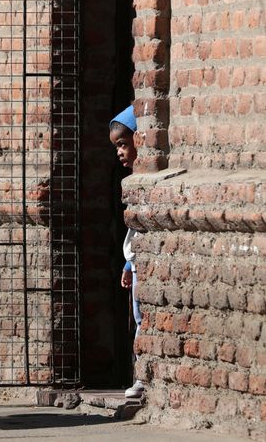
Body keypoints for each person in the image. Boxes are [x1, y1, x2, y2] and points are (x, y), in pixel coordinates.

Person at [109, 105, 143, 400]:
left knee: (142, 321)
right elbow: (133, 233)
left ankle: (142, 376)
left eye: (123, 144)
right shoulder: (133, 183)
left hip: (140, 267)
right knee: (138, 318)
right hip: (134, 266)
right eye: (117, 146)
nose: (120, 152)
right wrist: (127, 265)